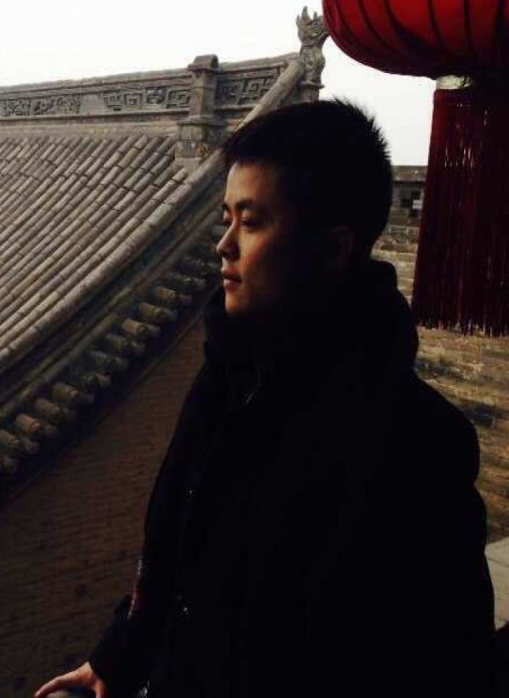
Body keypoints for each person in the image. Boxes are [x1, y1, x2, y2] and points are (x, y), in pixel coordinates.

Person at [35, 100, 499, 698]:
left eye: (251, 222)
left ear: (333, 249)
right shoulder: (227, 379)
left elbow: (443, 662)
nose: (223, 245)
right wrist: (121, 652)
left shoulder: (416, 444)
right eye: (226, 218)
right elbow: (185, 560)